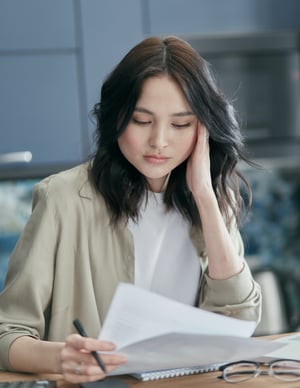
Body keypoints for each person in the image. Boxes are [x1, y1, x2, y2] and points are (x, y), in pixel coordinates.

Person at [0, 36, 261, 383]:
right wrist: (61, 356)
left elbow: (239, 319)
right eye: (141, 120)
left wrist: (204, 196)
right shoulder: (62, 199)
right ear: (117, 118)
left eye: (181, 124)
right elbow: (7, 332)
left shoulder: (212, 200)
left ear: (204, 128)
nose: (160, 141)